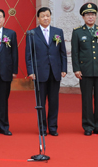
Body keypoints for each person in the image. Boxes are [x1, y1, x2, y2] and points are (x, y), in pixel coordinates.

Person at [71, 2, 98, 136]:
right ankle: (88, 126)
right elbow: (75, 52)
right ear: (83, 17)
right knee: (87, 100)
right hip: (85, 70)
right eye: (88, 15)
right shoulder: (77, 32)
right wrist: (76, 69)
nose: (90, 17)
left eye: (93, 14)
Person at [25, 7, 67, 136]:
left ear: (50, 17)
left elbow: (62, 52)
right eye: (42, 16)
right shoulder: (32, 33)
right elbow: (29, 55)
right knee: (41, 102)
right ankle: (42, 128)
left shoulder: (57, 32)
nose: (45, 18)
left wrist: (63, 69)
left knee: (54, 101)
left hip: (55, 72)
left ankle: (53, 127)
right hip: (39, 72)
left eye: (47, 16)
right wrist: (31, 71)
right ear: (38, 18)